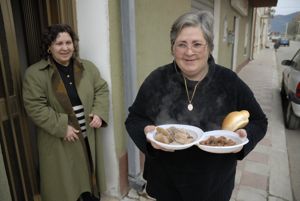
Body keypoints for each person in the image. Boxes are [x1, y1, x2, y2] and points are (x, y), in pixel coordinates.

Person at [125, 11, 268, 201]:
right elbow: (134, 118)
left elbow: (259, 120)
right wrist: (147, 134)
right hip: (165, 184)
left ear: (209, 47)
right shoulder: (157, 79)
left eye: (197, 44)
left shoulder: (228, 82)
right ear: (172, 48)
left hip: (213, 186)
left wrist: (244, 138)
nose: (189, 52)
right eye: (181, 44)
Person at [22, 24, 109, 201]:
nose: (65, 47)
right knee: (65, 183)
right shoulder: (35, 73)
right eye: (58, 43)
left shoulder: (87, 67)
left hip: (87, 134)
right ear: (49, 47)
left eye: (68, 42)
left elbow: (101, 88)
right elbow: (35, 106)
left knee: (88, 173)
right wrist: (62, 127)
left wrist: (99, 112)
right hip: (59, 138)